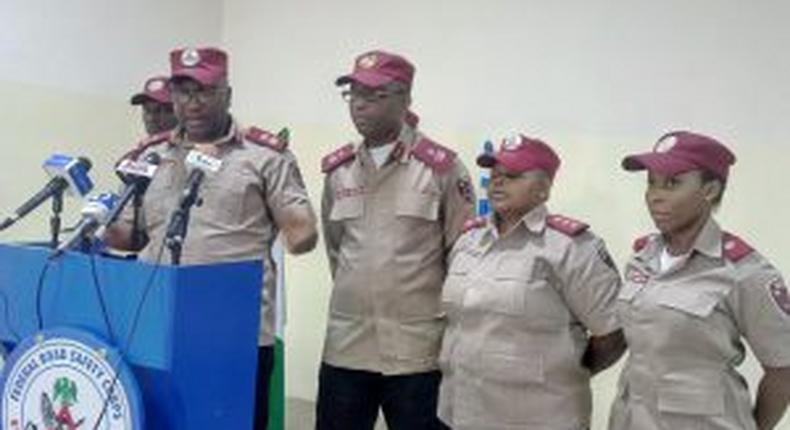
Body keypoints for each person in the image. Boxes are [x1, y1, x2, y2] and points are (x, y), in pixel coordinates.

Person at [106, 47, 318, 430]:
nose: (193, 102)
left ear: (227, 94)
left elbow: (303, 237)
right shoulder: (151, 156)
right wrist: (103, 218)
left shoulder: (264, 157)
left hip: (234, 336)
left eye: (204, 90)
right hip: (158, 326)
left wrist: (293, 222)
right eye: (183, 92)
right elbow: (127, 238)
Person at [317, 50, 476, 430]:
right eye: (353, 95)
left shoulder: (442, 169)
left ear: (405, 99)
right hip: (347, 347)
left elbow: (464, 256)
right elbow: (337, 249)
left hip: (417, 353)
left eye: (374, 96)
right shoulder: (339, 172)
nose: (360, 105)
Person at [437, 134, 626, 430]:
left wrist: (569, 370)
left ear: (543, 189)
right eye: (495, 175)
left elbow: (613, 332)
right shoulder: (468, 240)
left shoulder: (570, 248)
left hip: (541, 417)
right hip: (462, 414)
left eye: (511, 176)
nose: (497, 182)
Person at [609, 131, 790, 430]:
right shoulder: (643, 258)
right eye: (651, 182)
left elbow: (783, 370)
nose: (655, 194)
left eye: (673, 183)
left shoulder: (744, 272)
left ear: (710, 189)